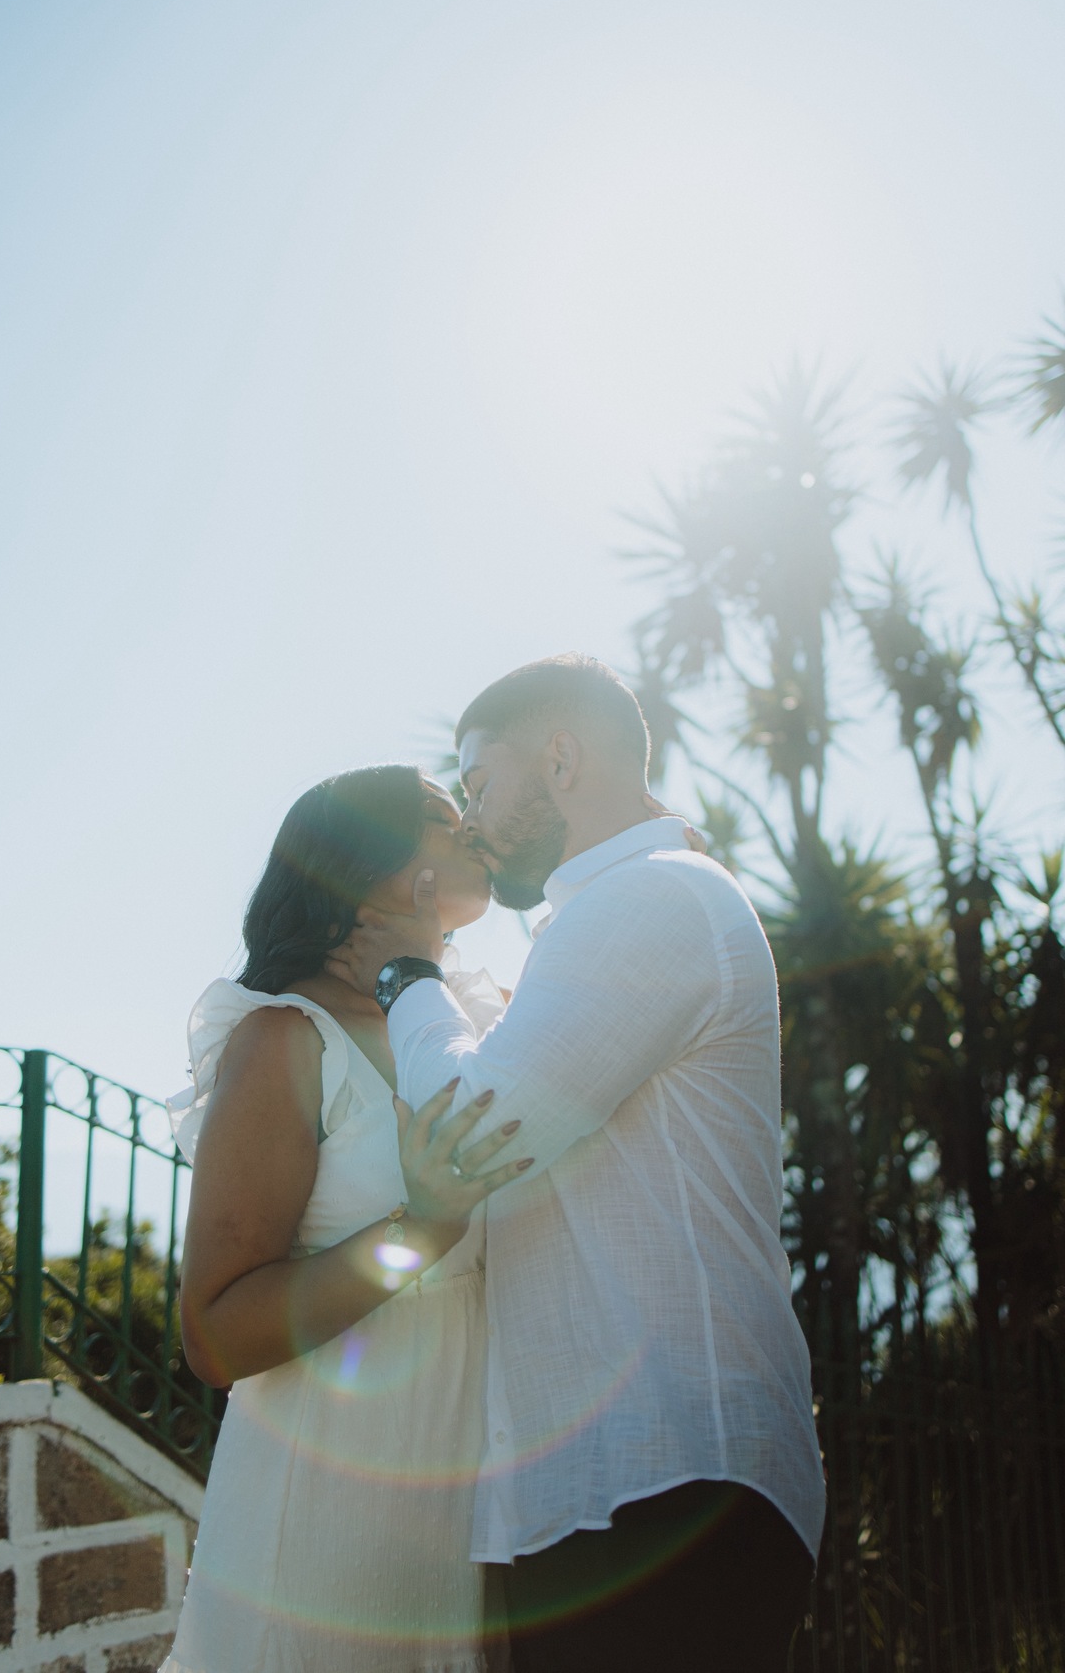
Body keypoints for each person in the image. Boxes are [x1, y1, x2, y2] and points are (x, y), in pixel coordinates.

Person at [328, 655, 826, 1673]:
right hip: (594, 1493)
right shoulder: (598, 921)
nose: (468, 820)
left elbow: (478, 1131)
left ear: (561, 757)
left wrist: (408, 971)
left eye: (478, 784)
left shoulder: (659, 896)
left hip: (669, 1478)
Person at [160, 765, 530, 1673]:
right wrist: (423, 1231)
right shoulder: (286, 1039)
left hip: (468, 1522)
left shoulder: (479, 1027)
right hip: (323, 1530)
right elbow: (213, 1333)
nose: (475, 827)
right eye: (448, 817)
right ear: (383, 867)